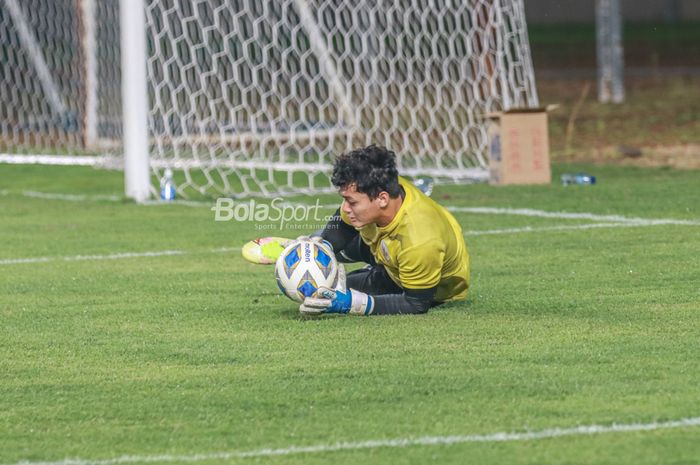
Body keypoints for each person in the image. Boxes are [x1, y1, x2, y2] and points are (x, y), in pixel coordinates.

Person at [299, 145, 470, 316]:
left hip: (424, 287)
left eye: (352, 202)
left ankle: (372, 271)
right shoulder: (381, 184)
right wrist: (318, 250)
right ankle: (297, 248)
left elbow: (415, 304)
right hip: (385, 245)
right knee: (321, 244)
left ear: (382, 199)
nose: (345, 208)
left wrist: (351, 304)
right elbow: (341, 227)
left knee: (327, 292)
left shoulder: (421, 242)